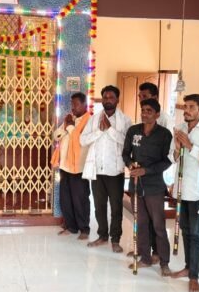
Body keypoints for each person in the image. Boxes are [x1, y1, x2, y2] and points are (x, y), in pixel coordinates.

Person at [169, 93, 199, 292]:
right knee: (185, 230)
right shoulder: (179, 128)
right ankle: (188, 267)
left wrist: (188, 145)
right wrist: (177, 148)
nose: (186, 110)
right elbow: (173, 157)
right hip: (181, 188)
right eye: (185, 106)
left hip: (198, 190)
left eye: (191, 107)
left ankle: (194, 276)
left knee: (195, 233)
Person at [123, 98, 173, 275]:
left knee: (158, 225)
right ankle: (145, 258)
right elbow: (125, 154)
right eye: (143, 110)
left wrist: (146, 170)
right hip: (136, 185)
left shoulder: (165, 134)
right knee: (141, 223)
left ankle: (164, 262)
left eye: (149, 111)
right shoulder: (133, 131)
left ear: (157, 114)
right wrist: (130, 165)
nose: (144, 114)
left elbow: (167, 161)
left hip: (154, 186)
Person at [81, 85, 132, 253]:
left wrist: (109, 129)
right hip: (97, 170)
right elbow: (83, 140)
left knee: (116, 207)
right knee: (99, 206)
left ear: (117, 100)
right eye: (105, 97)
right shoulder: (94, 119)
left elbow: (127, 143)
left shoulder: (125, 120)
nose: (108, 100)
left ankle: (115, 239)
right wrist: (99, 131)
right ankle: (102, 235)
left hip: (115, 171)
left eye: (111, 97)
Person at [52, 92, 92, 239]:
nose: (73, 107)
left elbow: (80, 140)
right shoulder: (70, 119)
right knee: (66, 199)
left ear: (84, 105)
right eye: (72, 104)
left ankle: (84, 229)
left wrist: (69, 127)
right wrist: (66, 125)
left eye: (76, 104)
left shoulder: (89, 121)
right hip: (65, 166)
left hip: (79, 167)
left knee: (80, 199)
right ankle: (71, 226)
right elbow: (56, 135)